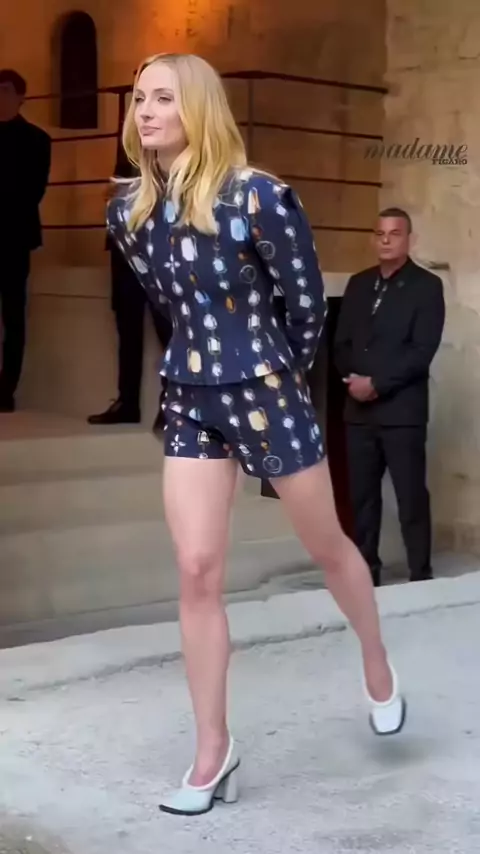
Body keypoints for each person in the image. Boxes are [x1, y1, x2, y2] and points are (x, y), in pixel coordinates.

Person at [107, 53, 407, 817]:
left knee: (327, 543)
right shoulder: (129, 212)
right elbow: (167, 305)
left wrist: (275, 378)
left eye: (164, 98)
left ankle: (376, 661)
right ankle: (214, 752)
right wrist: (202, 366)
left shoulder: (259, 197)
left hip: (267, 389)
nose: (146, 112)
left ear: (198, 108)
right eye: (139, 99)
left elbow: (305, 306)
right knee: (197, 569)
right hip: (189, 395)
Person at [335, 208, 445, 586]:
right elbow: (341, 343)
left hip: (402, 413)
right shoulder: (358, 284)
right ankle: (367, 571)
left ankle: (420, 573)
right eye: (380, 233)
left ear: (409, 240)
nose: (386, 240)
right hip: (358, 412)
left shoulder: (427, 287)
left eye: (394, 234)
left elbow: (421, 351)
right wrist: (353, 380)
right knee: (362, 497)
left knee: (410, 496)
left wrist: (377, 384)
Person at [88, 148, 172, 426]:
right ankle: (127, 402)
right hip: (124, 246)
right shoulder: (129, 146)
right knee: (127, 325)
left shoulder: (180, 143)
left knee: (169, 328)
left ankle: (174, 403)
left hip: (161, 245)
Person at [0, 69, 51, 412]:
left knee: (13, 315)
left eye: (5, 90)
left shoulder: (36, 140)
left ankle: (6, 389)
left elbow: (33, 191)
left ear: (20, 97)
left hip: (13, 237)